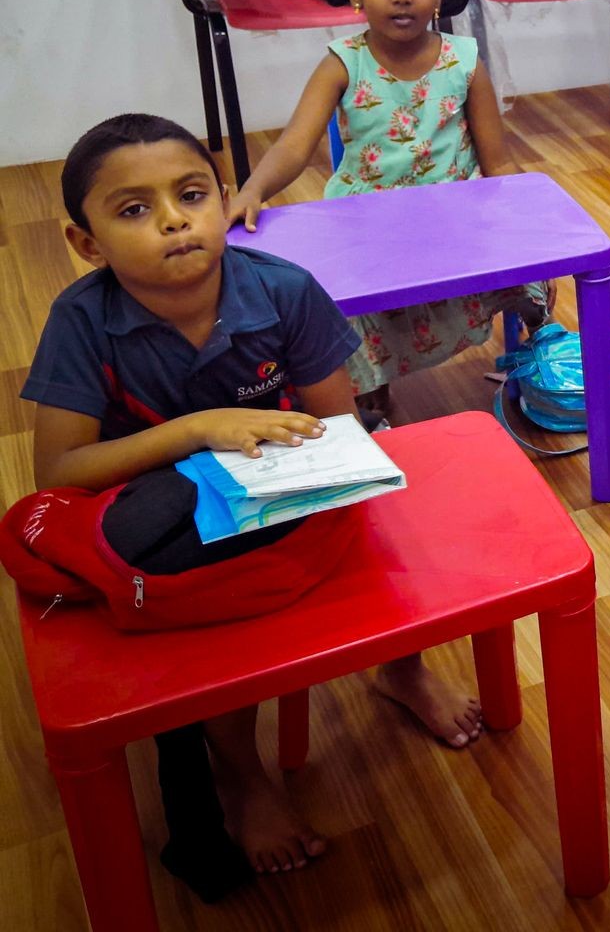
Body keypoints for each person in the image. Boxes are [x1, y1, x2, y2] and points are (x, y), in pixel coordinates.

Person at [21, 115, 482, 888]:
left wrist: (295, 467)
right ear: (87, 243)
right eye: (133, 210)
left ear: (225, 200)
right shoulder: (82, 320)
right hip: (167, 526)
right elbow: (61, 472)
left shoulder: (283, 290)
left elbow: (341, 431)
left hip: (287, 489)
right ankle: (240, 773)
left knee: (378, 542)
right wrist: (198, 431)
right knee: (215, 631)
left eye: (191, 194)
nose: (173, 219)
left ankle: (400, 670)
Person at [227, 0, 547, 431]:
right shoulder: (341, 63)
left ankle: (543, 355)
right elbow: (293, 145)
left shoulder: (464, 62)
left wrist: (525, 222)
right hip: (365, 227)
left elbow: (499, 163)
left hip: (453, 222)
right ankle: (368, 398)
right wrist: (253, 190)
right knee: (336, 304)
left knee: (538, 264)